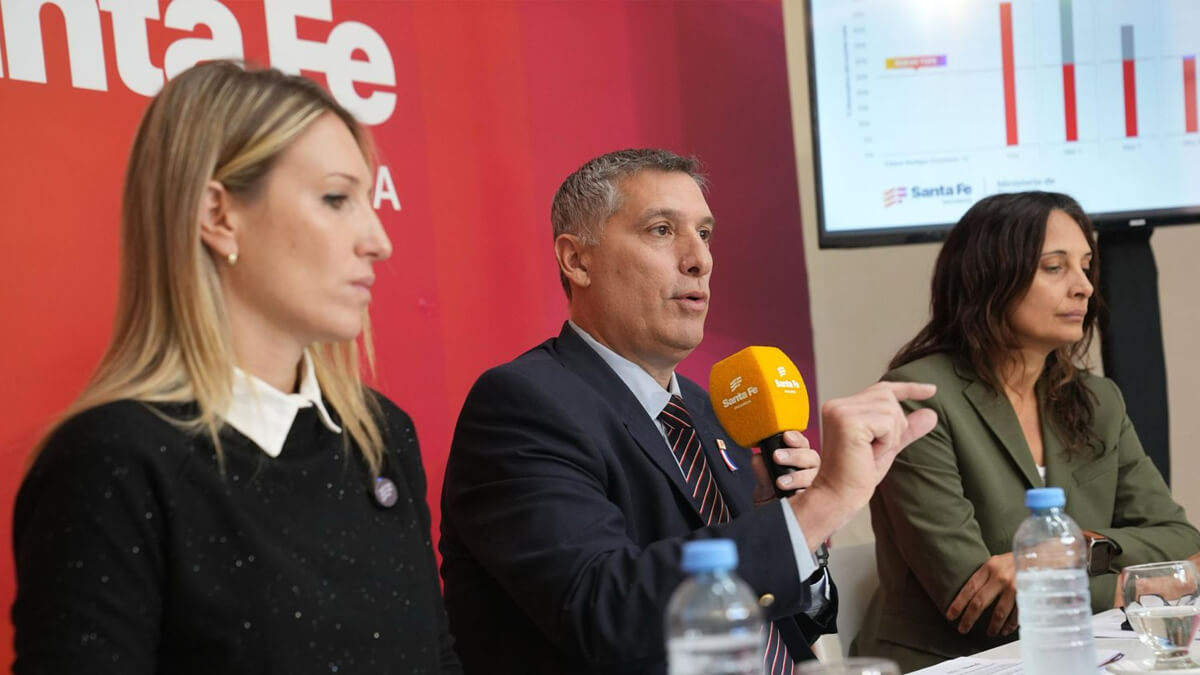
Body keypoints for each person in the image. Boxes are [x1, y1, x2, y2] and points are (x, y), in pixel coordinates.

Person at [11, 61, 461, 674]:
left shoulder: (380, 436)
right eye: (336, 199)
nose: (378, 240)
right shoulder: (111, 463)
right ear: (218, 216)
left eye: (367, 199)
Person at [439, 148, 937, 674]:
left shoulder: (712, 408)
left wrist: (795, 530)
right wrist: (824, 505)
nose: (700, 259)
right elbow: (603, 609)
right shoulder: (523, 404)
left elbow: (791, 621)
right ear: (576, 260)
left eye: (704, 233)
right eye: (661, 230)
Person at [852, 191, 1200, 671]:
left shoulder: (1099, 401)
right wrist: (1147, 584)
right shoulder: (917, 398)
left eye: (1085, 266)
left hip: (1081, 652)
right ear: (990, 278)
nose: (1083, 287)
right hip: (951, 663)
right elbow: (973, 601)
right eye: (1055, 267)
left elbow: (1180, 538)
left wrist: (1076, 549)